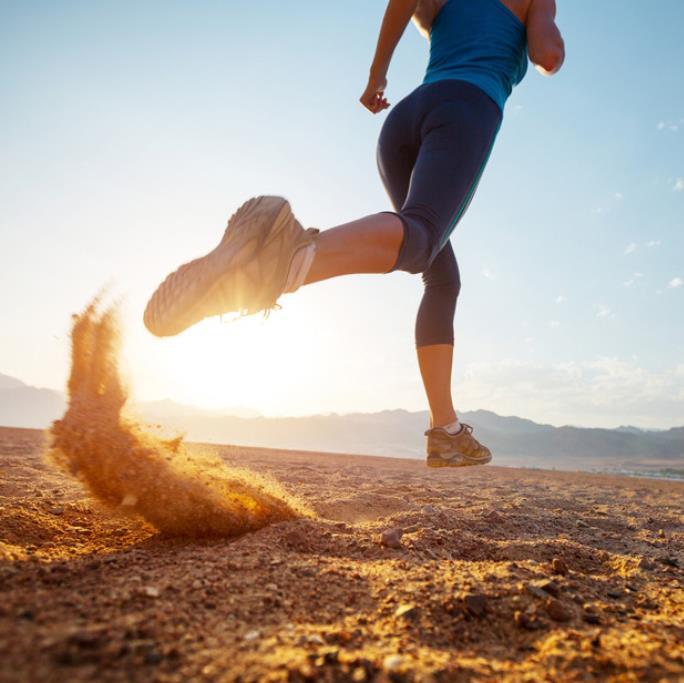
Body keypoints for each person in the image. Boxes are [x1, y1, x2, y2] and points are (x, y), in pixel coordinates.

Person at [144, 0, 565, 468]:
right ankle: (288, 255)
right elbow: (546, 53)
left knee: (442, 275)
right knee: (421, 237)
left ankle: (445, 429)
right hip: (467, 108)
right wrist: (549, 40)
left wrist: (376, 75)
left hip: (403, 122)